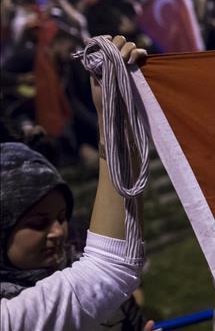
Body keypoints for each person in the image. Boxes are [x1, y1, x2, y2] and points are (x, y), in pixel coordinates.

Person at [0, 36, 150, 330]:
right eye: (39, 222)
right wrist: (112, 114)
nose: (58, 232)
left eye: (60, 217)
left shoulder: (73, 262)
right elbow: (110, 268)